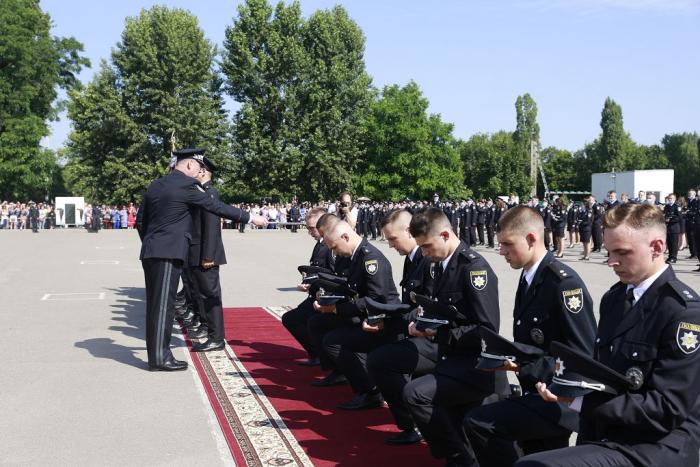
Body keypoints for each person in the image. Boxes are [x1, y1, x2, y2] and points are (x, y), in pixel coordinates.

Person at [516, 202, 700, 467]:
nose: (612, 261)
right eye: (609, 251)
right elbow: (601, 375)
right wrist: (566, 385)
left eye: (622, 252)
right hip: (609, 434)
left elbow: (666, 409)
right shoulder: (615, 298)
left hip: (655, 447)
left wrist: (580, 401)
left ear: (657, 247)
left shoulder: (684, 314)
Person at [463, 206, 597, 466]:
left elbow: (583, 357)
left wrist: (522, 365)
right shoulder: (530, 275)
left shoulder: (564, 284)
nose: (501, 251)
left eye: (507, 244)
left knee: (480, 423)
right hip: (534, 390)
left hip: (557, 398)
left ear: (532, 239)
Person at [137, 148, 266, 371]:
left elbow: (141, 220)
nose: (199, 172)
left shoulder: (157, 184)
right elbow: (216, 207)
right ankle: (159, 358)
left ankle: (158, 355)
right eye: (198, 167)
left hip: (152, 251)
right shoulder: (186, 186)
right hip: (168, 252)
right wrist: (250, 217)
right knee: (163, 306)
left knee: (156, 304)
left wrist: (152, 242)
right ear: (189, 165)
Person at [402, 207, 509, 466]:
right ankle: (459, 455)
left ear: (445, 235)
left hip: (476, 367)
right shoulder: (441, 264)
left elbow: (486, 329)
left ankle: (458, 456)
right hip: (451, 358)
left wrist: (439, 333)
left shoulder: (474, 269)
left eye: (427, 246)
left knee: (414, 393)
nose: (424, 253)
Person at [315, 219, 401, 409]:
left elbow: (375, 298)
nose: (335, 253)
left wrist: (337, 309)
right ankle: (364, 386)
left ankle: (371, 391)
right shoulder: (355, 255)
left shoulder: (370, 258)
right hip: (364, 316)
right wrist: (327, 297)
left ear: (345, 237)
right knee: (326, 329)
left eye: (335, 247)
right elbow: (350, 287)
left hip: (382, 321)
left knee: (335, 341)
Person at [366, 208, 434, 445]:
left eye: (393, 238)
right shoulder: (412, 258)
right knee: (378, 350)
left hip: (430, 336)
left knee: (380, 361)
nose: (391, 245)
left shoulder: (427, 259)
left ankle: (411, 423)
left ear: (409, 231)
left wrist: (394, 323)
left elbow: (426, 307)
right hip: (413, 328)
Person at [282, 207, 334, 366]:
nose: (309, 232)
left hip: (325, 298)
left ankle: (322, 355)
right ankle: (317, 353)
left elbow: (333, 275)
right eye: (308, 228)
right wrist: (309, 283)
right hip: (315, 294)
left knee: (294, 319)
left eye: (312, 228)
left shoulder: (330, 246)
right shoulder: (320, 244)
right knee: (293, 318)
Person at [189, 156, 230, 352]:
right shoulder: (201, 192)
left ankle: (217, 338)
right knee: (203, 295)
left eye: (197, 168)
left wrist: (208, 256)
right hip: (199, 253)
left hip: (207, 255)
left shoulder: (210, 193)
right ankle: (212, 334)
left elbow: (212, 228)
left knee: (210, 296)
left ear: (203, 171)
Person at [664, 193, 681, 264]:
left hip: (674, 228)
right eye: (669, 198)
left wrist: (670, 220)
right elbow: (665, 214)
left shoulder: (677, 206)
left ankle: (674, 257)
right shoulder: (667, 206)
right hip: (668, 228)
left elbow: (679, 217)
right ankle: (670, 256)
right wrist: (665, 219)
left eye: (671, 198)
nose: (670, 200)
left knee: (674, 244)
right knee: (669, 243)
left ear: (674, 199)